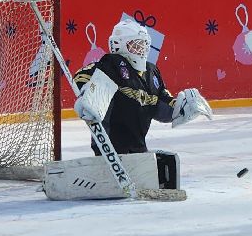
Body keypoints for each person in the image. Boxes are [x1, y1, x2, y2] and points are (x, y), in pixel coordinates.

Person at [72, 17, 211, 155]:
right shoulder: (111, 64)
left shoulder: (151, 72)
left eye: (144, 44)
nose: (142, 49)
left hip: (138, 149)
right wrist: (87, 92)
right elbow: (82, 75)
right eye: (136, 45)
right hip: (110, 151)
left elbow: (161, 103)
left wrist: (180, 108)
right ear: (119, 44)